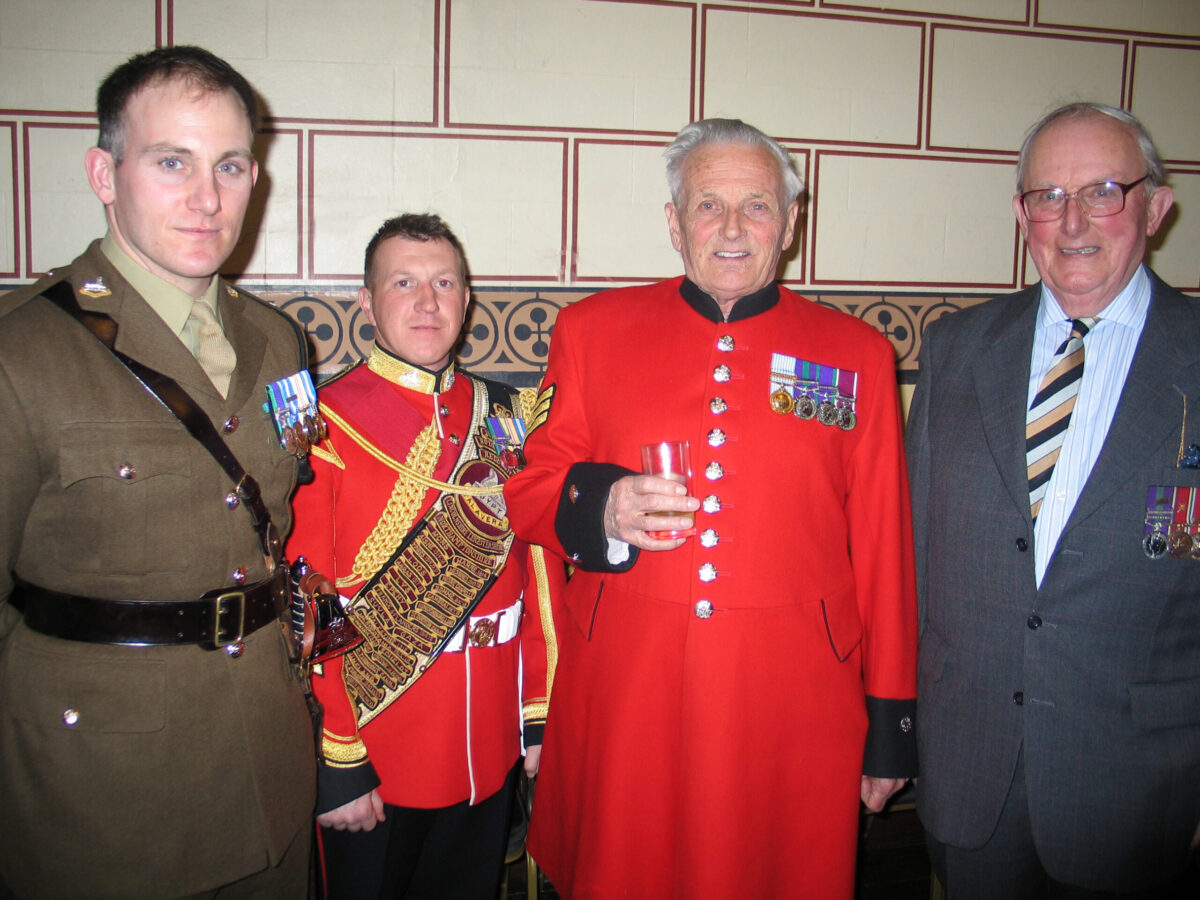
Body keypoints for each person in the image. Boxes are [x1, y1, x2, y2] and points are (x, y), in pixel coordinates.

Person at [503, 118, 918, 899]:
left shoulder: (855, 355)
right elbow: (528, 487)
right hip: (628, 693)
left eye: (756, 206)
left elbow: (884, 546)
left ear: (789, 224)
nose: (731, 228)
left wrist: (891, 724)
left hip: (790, 702)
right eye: (707, 205)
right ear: (674, 222)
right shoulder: (591, 332)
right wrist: (603, 507)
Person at [0, 46, 316, 898]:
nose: (207, 197)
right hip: (105, 798)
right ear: (104, 174)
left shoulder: (278, 342)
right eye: (172, 161)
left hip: (269, 772)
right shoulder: (22, 350)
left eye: (230, 166)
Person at [907, 102, 1200, 898]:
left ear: (1155, 208)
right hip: (970, 773)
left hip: (1137, 786)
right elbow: (913, 558)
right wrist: (894, 731)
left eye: (1103, 191)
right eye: (1049, 196)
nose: (1073, 222)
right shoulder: (955, 348)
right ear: (1021, 214)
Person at [287, 213, 563, 899]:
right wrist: (339, 757)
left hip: (491, 747)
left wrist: (539, 715)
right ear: (367, 301)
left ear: (466, 300)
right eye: (403, 283)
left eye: (444, 284)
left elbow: (538, 578)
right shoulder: (325, 422)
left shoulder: (511, 414)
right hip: (379, 755)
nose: (427, 302)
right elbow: (310, 596)